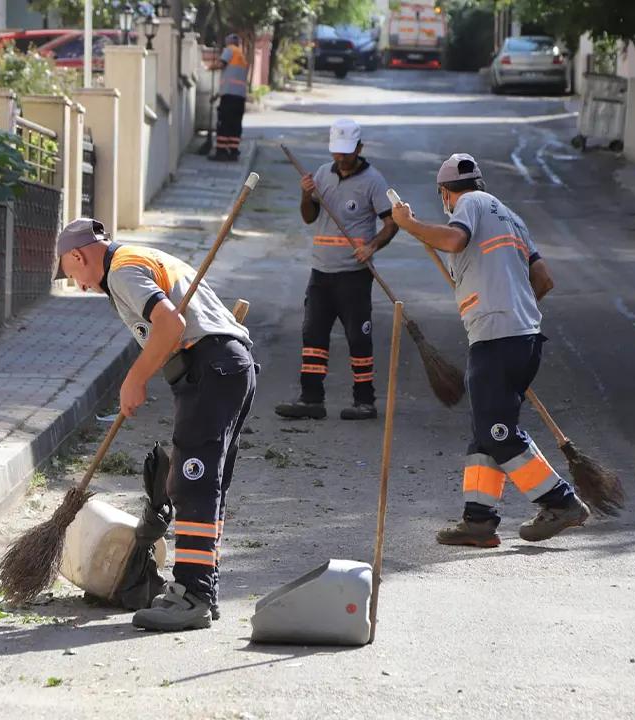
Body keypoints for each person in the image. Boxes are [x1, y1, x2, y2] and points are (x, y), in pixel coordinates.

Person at [56, 218, 256, 631]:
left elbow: (171, 325)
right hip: (228, 367)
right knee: (207, 484)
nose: (78, 285)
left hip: (213, 369)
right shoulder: (135, 261)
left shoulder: (124, 269)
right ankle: (202, 588)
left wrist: (135, 378)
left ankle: (193, 596)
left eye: (72, 273)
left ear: (78, 255)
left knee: (192, 482)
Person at [389, 153, 590, 547]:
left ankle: (561, 502)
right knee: (486, 431)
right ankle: (478, 520)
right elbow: (544, 280)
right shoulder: (510, 216)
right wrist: (516, 306)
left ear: (445, 193)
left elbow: (454, 239)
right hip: (520, 335)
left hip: (498, 336)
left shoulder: (469, 205)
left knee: (498, 433)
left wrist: (408, 224)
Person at [275, 118, 398, 422]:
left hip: (354, 275)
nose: (341, 158)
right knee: (313, 334)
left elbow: (391, 222)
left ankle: (364, 401)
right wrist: (306, 194)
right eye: (336, 152)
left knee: (358, 337)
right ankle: (311, 399)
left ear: (359, 148)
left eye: (346, 152)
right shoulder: (320, 175)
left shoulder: (374, 181)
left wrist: (372, 247)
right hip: (321, 272)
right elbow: (308, 217)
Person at [213, 34, 249, 162]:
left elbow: (221, 64)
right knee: (235, 124)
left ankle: (221, 152)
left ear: (229, 42)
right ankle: (233, 151)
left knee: (224, 123)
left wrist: (210, 67)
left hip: (229, 96)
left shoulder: (230, 50)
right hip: (240, 97)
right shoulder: (242, 56)